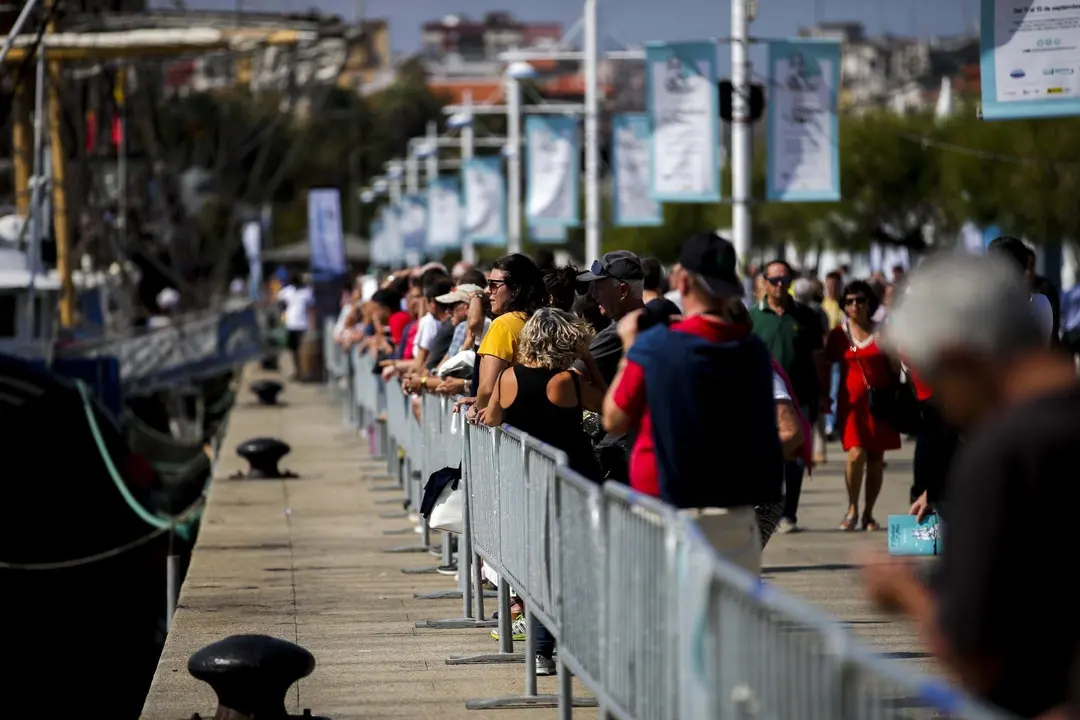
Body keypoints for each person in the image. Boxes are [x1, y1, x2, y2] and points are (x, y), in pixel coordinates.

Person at [862, 253, 1080, 719]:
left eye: (936, 378)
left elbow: (972, 648)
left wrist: (904, 592)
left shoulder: (1002, 453)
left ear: (959, 356)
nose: (944, 405)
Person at [602, 232, 783, 576]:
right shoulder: (753, 351)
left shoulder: (655, 347)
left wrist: (630, 347)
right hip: (734, 508)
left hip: (668, 509)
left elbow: (614, 418)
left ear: (681, 280)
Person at [749, 260, 823, 534]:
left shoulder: (807, 316)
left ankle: (788, 513)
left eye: (785, 280)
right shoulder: (753, 317)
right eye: (775, 280)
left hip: (800, 397)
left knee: (795, 457)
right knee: (766, 455)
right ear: (765, 283)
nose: (780, 285)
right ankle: (764, 509)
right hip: (761, 401)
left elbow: (818, 359)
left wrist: (823, 395)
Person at [820, 280, 901, 531]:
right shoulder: (838, 335)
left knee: (876, 459)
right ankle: (852, 507)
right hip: (852, 405)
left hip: (881, 403)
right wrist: (823, 395)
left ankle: (868, 513)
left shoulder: (884, 332)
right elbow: (824, 364)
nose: (855, 305)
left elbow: (897, 369)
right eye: (849, 301)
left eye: (860, 300)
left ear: (869, 303)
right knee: (856, 454)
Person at [462, 253, 547, 422]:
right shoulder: (540, 320)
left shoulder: (502, 325)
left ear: (516, 287)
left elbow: (488, 387)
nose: (487, 291)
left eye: (494, 285)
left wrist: (475, 409)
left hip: (510, 426)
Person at [276, 273, 313, 378]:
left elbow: (311, 308)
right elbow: (279, 300)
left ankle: (302, 371)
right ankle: (297, 370)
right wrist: (282, 311)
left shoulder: (306, 292)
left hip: (302, 324)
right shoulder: (288, 291)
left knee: (302, 349)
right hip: (291, 324)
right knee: (293, 349)